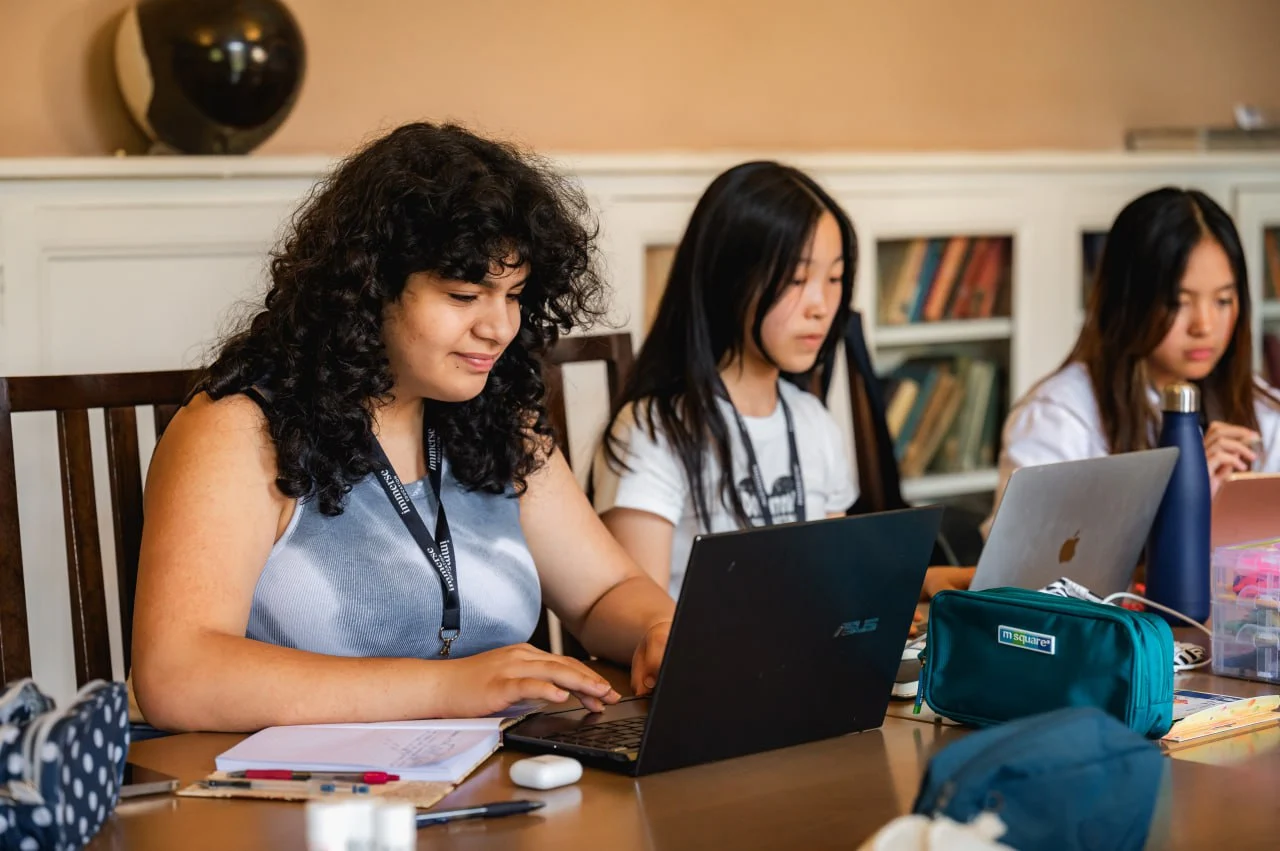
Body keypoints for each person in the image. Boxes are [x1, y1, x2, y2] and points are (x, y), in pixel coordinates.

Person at [131, 122, 675, 733]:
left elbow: (605, 592)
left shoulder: (497, 422)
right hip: (303, 806)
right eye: (464, 295)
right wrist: (449, 687)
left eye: (514, 295)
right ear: (369, 289)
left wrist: (659, 628)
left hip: (485, 783)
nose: (499, 327)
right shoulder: (237, 429)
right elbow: (176, 675)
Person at [922, 187, 1280, 600]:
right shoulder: (1060, 414)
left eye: (1223, 300)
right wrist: (1178, 507)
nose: (1204, 324)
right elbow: (1025, 578)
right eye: (1177, 302)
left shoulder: (1258, 406)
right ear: (1127, 302)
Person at [589, 161, 860, 599]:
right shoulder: (654, 432)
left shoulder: (815, 424)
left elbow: (840, 588)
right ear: (728, 279)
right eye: (796, 278)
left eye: (834, 278)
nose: (821, 305)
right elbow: (641, 624)